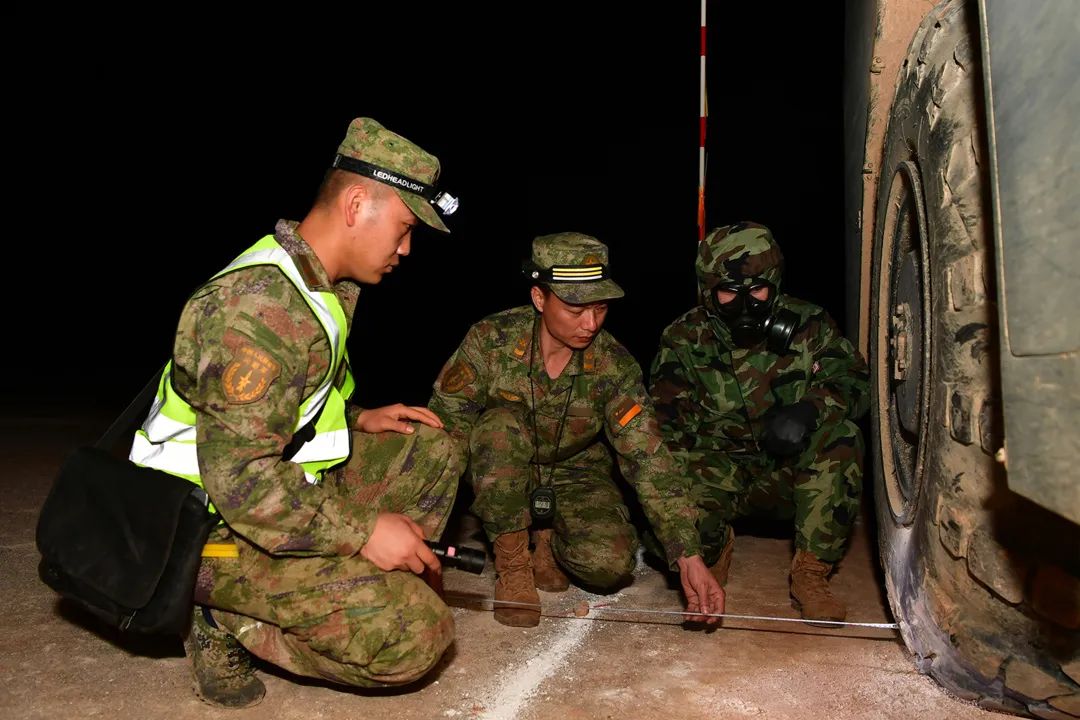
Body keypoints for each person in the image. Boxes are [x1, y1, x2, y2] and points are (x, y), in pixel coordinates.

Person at [128, 117, 465, 707]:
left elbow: (283, 403)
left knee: (430, 447)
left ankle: (344, 586)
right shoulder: (260, 308)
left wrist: (357, 416)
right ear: (357, 204)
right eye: (406, 228)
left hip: (259, 496)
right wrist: (362, 530)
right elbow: (239, 479)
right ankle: (217, 615)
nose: (406, 249)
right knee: (417, 633)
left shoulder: (318, 281)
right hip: (196, 528)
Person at [428, 232, 724, 628]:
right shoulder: (491, 341)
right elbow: (446, 430)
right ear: (539, 299)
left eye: (600, 308)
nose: (590, 324)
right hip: (499, 465)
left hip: (575, 472)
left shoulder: (614, 365)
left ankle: (547, 542)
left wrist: (688, 554)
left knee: (610, 566)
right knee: (498, 427)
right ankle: (514, 565)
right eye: (575, 309)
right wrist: (422, 531)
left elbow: (648, 457)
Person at [648, 221, 869, 622]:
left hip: (785, 478)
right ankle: (714, 548)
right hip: (718, 472)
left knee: (842, 436)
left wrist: (810, 408)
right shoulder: (683, 338)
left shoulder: (810, 324)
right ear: (708, 291)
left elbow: (853, 381)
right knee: (660, 510)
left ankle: (810, 573)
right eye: (729, 292)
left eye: (757, 291)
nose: (744, 305)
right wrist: (686, 533)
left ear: (775, 283)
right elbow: (665, 433)